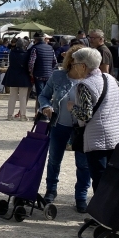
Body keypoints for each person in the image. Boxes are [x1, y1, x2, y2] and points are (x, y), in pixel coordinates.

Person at [68, 47, 119, 191]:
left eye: (75, 64)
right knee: (114, 177)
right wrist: (116, 114)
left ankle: (102, 212)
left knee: (99, 179)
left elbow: (85, 115)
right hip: (116, 135)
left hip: (96, 137)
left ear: (83, 66)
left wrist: (72, 107)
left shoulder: (84, 85)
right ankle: (114, 211)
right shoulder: (109, 78)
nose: (74, 68)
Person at [39, 44, 91, 212]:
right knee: (54, 159)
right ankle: (51, 190)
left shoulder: (92, 79)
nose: (82, 64)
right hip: (59, 125)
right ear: (71, 60)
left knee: (83, 164)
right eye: (79, 60)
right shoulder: (58, 76)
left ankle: (81, 196)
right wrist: (45, 106)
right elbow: (43, 95)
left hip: (83, 129)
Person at [2, 38, 31, 121]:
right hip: (23, 75)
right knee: (23, 96)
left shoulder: (12, 52)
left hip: (13, 75)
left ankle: (9, 115)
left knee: (12, 96)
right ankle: (23, 115)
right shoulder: (26, 54)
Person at [28, 32, 57, 106]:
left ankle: (42, 113)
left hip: (38, 75)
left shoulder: (35, 48)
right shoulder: (50, 48)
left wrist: (31, 72)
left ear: (35, 39)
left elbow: (31, 62)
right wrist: (51, 70)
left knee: (40, 95)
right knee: (48, 95)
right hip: (49, 75)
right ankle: (48, 112)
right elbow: (55, 62)